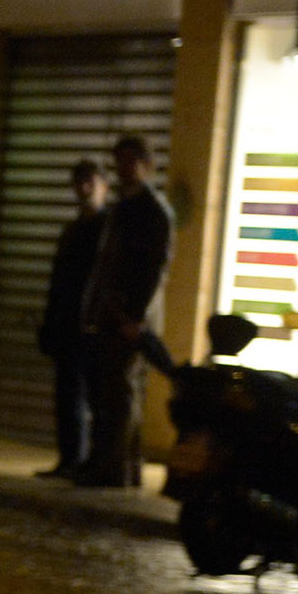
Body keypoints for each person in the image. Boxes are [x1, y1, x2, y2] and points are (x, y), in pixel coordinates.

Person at [77, 132, 173, 489]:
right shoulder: (123, 207)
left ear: (147, 165)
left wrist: (134, 315)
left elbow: (154, 267)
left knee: (120, 388)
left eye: (132, 161)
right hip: (110, 312)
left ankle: (115, 467)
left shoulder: (152, 211)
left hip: (129, 316)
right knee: (111, 389)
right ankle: (118, 465)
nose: (125, 168)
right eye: (121, 161)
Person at [35, 157, 109, 479]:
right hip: (68, 325)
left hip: (93, 327)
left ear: (103, 184)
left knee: (92, 397)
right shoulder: (74, 229)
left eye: (89, 181)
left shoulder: (108, 230)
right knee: (67, 397)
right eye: (79, 182)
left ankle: (89, 461)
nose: (84, 188)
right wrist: (51, 322)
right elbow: (60, 280)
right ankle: (70, 459)